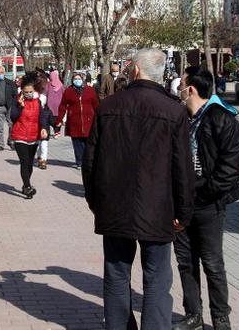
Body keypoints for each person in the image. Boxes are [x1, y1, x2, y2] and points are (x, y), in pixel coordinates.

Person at [82, 48, 195, 329]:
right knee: (157, 277)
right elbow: (183, 167)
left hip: (115, 206)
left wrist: (96, 201)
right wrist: (184, 210)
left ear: (134, 70)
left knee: (117, 273)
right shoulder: (173, 110)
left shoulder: (108, 107)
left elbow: (90, 162)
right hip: (158, 207)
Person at [172, 66, 239, 330]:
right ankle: (193, 314)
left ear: (190, 88)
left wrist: (205, 194)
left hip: (209, 204)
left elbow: (231, 165)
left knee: (212, 263)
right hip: (181, 204)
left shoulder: (222, 118)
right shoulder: (179, 118)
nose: (178, 88)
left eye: (181, 84)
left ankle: (220, 318)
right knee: (185, 261)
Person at [10, 72, 50, 199]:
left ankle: (25, 184)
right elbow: (13, 117)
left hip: (34, 136)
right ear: (22, 91)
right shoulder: (17, 101)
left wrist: (44, 128)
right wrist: (20, 106)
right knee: (24, 161)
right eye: (25, 91)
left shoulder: (38, 102)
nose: (28, 94)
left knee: (30, 164)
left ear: (34, 90)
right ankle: (27, 187)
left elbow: (43, 116)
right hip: (19, 136)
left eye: (30, 91)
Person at [56, 73, 99, 169]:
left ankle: (88, 161)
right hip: (74, 121)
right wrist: (59, 119)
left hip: (88, 121)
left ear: (83, 80)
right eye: (75, 79)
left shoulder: (90, 90)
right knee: (77, 143)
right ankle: (79, 161)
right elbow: (63, 106)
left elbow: (96, 104)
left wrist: (98, 117)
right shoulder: (68, 91)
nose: (77, 80)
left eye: (79, 78)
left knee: (88, 144)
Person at [0, 66, 17, 151]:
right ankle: (0, 144)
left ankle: (11, 141)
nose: (0, 74)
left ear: (4, 73)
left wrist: (13, 104)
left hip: (9, 107)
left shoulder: (10, 83)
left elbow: (15, 94)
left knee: (12, 125)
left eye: (1, 72)